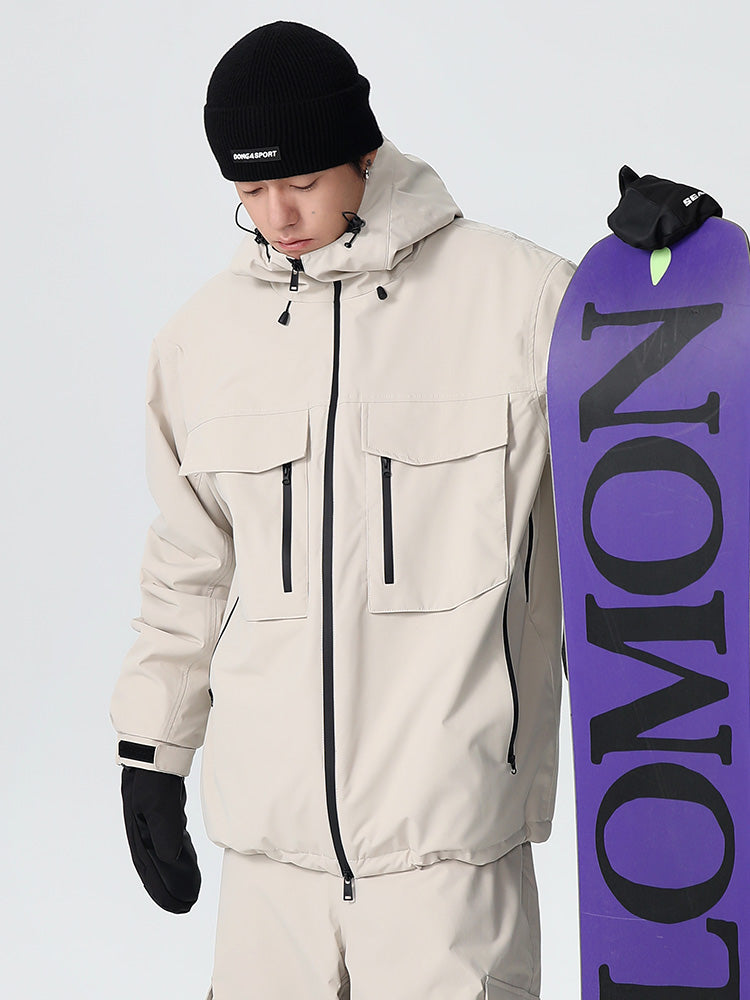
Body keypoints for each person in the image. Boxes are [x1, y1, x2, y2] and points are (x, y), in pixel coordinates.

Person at [110, 20, 575, 1000]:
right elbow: (188, 565)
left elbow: (648, 485)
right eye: (249, 192)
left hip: (449, 845)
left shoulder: (523, 299)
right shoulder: (202, 341)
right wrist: (153, 750)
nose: (277, 214)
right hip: (269, 855)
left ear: (364, 153)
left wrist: (667, 289)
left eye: (303, 181)